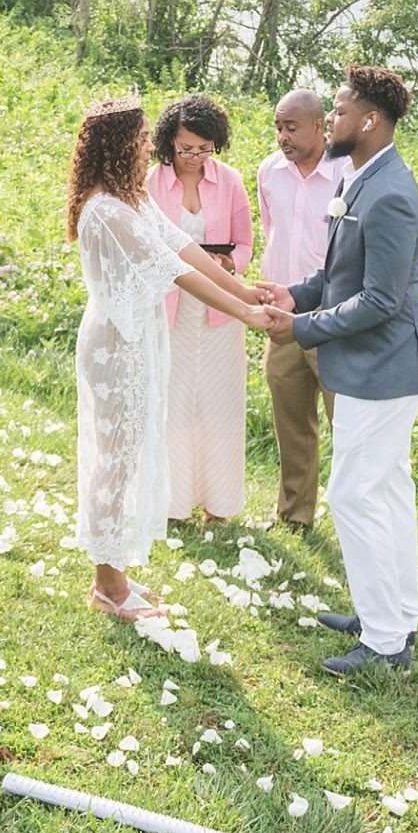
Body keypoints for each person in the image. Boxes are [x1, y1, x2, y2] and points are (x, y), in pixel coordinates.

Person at [255, 66, 418, 677]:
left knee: (354, 495)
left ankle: (385, 643)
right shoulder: (362, 178)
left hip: (381, 369)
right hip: (371, 365)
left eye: (338, 110)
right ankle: (391, 615)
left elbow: (382, 300)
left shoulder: (389, 195)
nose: (331, 120)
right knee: (387, 492)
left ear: (369, 121)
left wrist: (301, 330)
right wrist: (292, 295)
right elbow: (339, 278)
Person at [71, 98, 270, 621]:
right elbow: (174, 273)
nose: (146, 149)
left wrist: (246, 294)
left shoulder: (131, 199)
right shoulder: (108, 211)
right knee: (114, 462)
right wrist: (247, 316)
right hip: (116, 345)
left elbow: (185, 247)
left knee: (129, 454)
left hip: (136, 339)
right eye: (138, 141)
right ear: (117, 146)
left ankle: (115, 575)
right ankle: (107, 587)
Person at [149, 96, 254, 526]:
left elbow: (245, 243)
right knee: (172, 405)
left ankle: (220, 504)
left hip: (219, 310)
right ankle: (173, 505)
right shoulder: (149, 182)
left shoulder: (230, 181)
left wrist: (231, 264)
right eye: (186, 148)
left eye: (204, 149)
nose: (194, 157)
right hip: (169, 307)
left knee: (219, 405)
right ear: (169, 142)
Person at [255, 89, 339, 528]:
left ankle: (353, 520)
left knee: (346, 426)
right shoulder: (269, 172)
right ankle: (294, 515)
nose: (282, 136)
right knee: (291, 422)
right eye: (278, 127)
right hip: (284, 315)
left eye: (291, 127)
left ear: (319, 125)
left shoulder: (348, 174)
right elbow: (272, 231)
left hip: (334, 318)